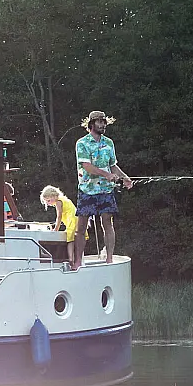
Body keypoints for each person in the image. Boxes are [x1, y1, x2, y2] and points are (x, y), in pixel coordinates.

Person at [73, 110, 132, 269]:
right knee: (81, 226)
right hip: (87, 190)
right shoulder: (82, 143)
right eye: (99, 122)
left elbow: (113, 165)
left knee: (107, 222)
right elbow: (87, 166)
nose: (103, 125)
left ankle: (109, 258)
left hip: (106, 190)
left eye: (104, 122)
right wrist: (106, 174)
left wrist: (125, 177)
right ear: (91, 124)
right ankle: (77, 261)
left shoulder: (109, 143)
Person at [40, 185, 78, 267]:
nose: (48, 203)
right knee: (75, 239)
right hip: (76, 219)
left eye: (48, 201)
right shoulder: (64, 199)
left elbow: (59, 216)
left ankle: (71, 259)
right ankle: (76, 258)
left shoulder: (58, 202)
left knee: (70, 240)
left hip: (72, 220)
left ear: (54, 196)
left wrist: (56, 229)